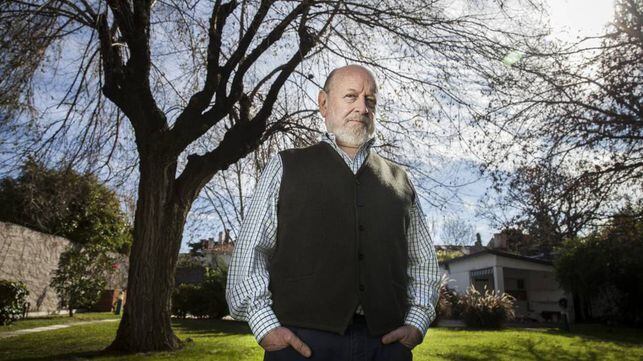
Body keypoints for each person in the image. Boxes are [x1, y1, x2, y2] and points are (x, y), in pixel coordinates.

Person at [226, 64, 440, 361]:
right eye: (351, 96)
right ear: (324, 104)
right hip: (301, 343)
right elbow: (251, 251)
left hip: (386, 345)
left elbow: (423, 263)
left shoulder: (400, 179)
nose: (362, 108)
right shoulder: (285, 166)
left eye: (371, 101)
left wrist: (416, 323)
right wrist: (265, 327)